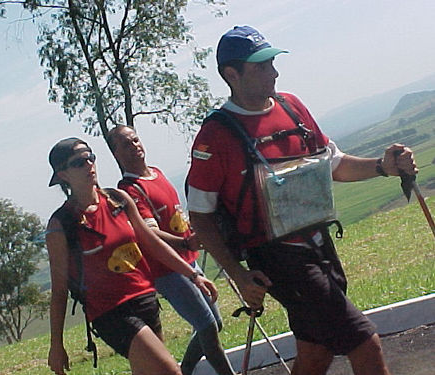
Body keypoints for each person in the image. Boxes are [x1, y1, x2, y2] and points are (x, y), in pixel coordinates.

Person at [186, 25, 418, 375]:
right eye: (260, 67)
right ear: (231, 74)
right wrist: (237, 274)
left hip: (319, 243)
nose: (273, 72)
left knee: (316, 349)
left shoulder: (291, 106)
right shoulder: (215, 135)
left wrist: (383, 167)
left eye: (272, 63)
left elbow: (334, 164)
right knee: (364, 342)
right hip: (276, 258)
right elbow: (200, 216)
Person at [45, 137, 217, 375]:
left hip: (145, 298)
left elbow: (152, 243)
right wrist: (56, 345)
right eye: (78, 163)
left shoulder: (118, 199)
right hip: (110, 312)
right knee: (170, 371)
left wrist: (193, 276)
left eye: (90, 158)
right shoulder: (61, 224)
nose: (88, 165)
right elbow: (59, 291)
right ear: (63, 175)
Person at [108, 126, 236, 375]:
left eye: (135, 139)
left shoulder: (157, 173)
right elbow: (150, 232)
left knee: (214, 324)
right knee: (207, 326)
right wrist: (184, 243)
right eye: (126, 144)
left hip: (189, 260)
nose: (134, 146)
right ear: (116, 153)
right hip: (167, 269)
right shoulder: (130, 189)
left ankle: (185, 370)